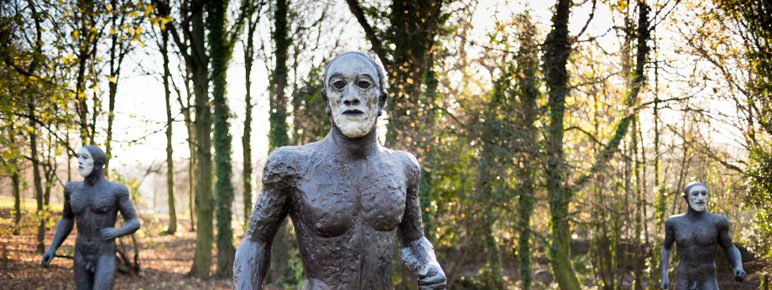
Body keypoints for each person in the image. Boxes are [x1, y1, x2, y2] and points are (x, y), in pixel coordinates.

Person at [234, 51, 446, 290]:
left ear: (381, 101)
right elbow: (256, 242)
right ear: (327, 101)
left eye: (364, 85)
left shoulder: (404, 167)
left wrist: (430, 265)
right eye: (339, 86)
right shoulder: (290, 165)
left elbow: (414, 240)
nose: (351, 97)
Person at [41, 145, 141, 290]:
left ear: (99, 164)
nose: (79, 161)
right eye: (78, 157)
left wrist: (116, 232)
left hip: (104, 254)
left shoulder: (116, 190)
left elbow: (134, 222)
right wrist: (52, 248)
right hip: (81, 253)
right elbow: (67, 219)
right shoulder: (71, 189)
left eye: (85, 157)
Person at [661, 182, 747, 289]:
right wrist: (664, 275)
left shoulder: (718, 222)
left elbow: (729, 247)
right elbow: (666, 248)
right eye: (695, 194)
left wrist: (738, 266)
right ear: (686, 198)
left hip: (708, 279)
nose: (700, 198)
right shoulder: (674, 223)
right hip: (684, 278)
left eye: (703, 194)